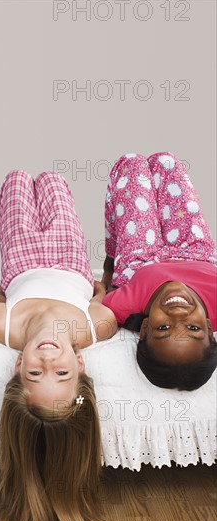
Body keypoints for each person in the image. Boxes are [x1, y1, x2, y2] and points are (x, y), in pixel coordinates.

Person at [0, 169, 117, 521]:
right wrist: (98, 291)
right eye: (61, 372)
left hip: (21, 261)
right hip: (70, 259)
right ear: (80, 365)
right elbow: (102, 302)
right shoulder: (91, 329)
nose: (47, 358)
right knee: (55, 183)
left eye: (37, 374)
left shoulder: (1, 327)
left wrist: (0, 293)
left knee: (17, 182)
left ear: (18, 366)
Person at [102, 152, 217, 390]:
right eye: (193, 328)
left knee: (132, 165)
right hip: (195, 250)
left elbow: (101, 297)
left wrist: (109, 267)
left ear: (144, 328)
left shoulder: (123, 307)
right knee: (166, 162)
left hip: (140, 261)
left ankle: (115, 250)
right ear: (208, 327)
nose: (178, 316)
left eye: (163, 328)